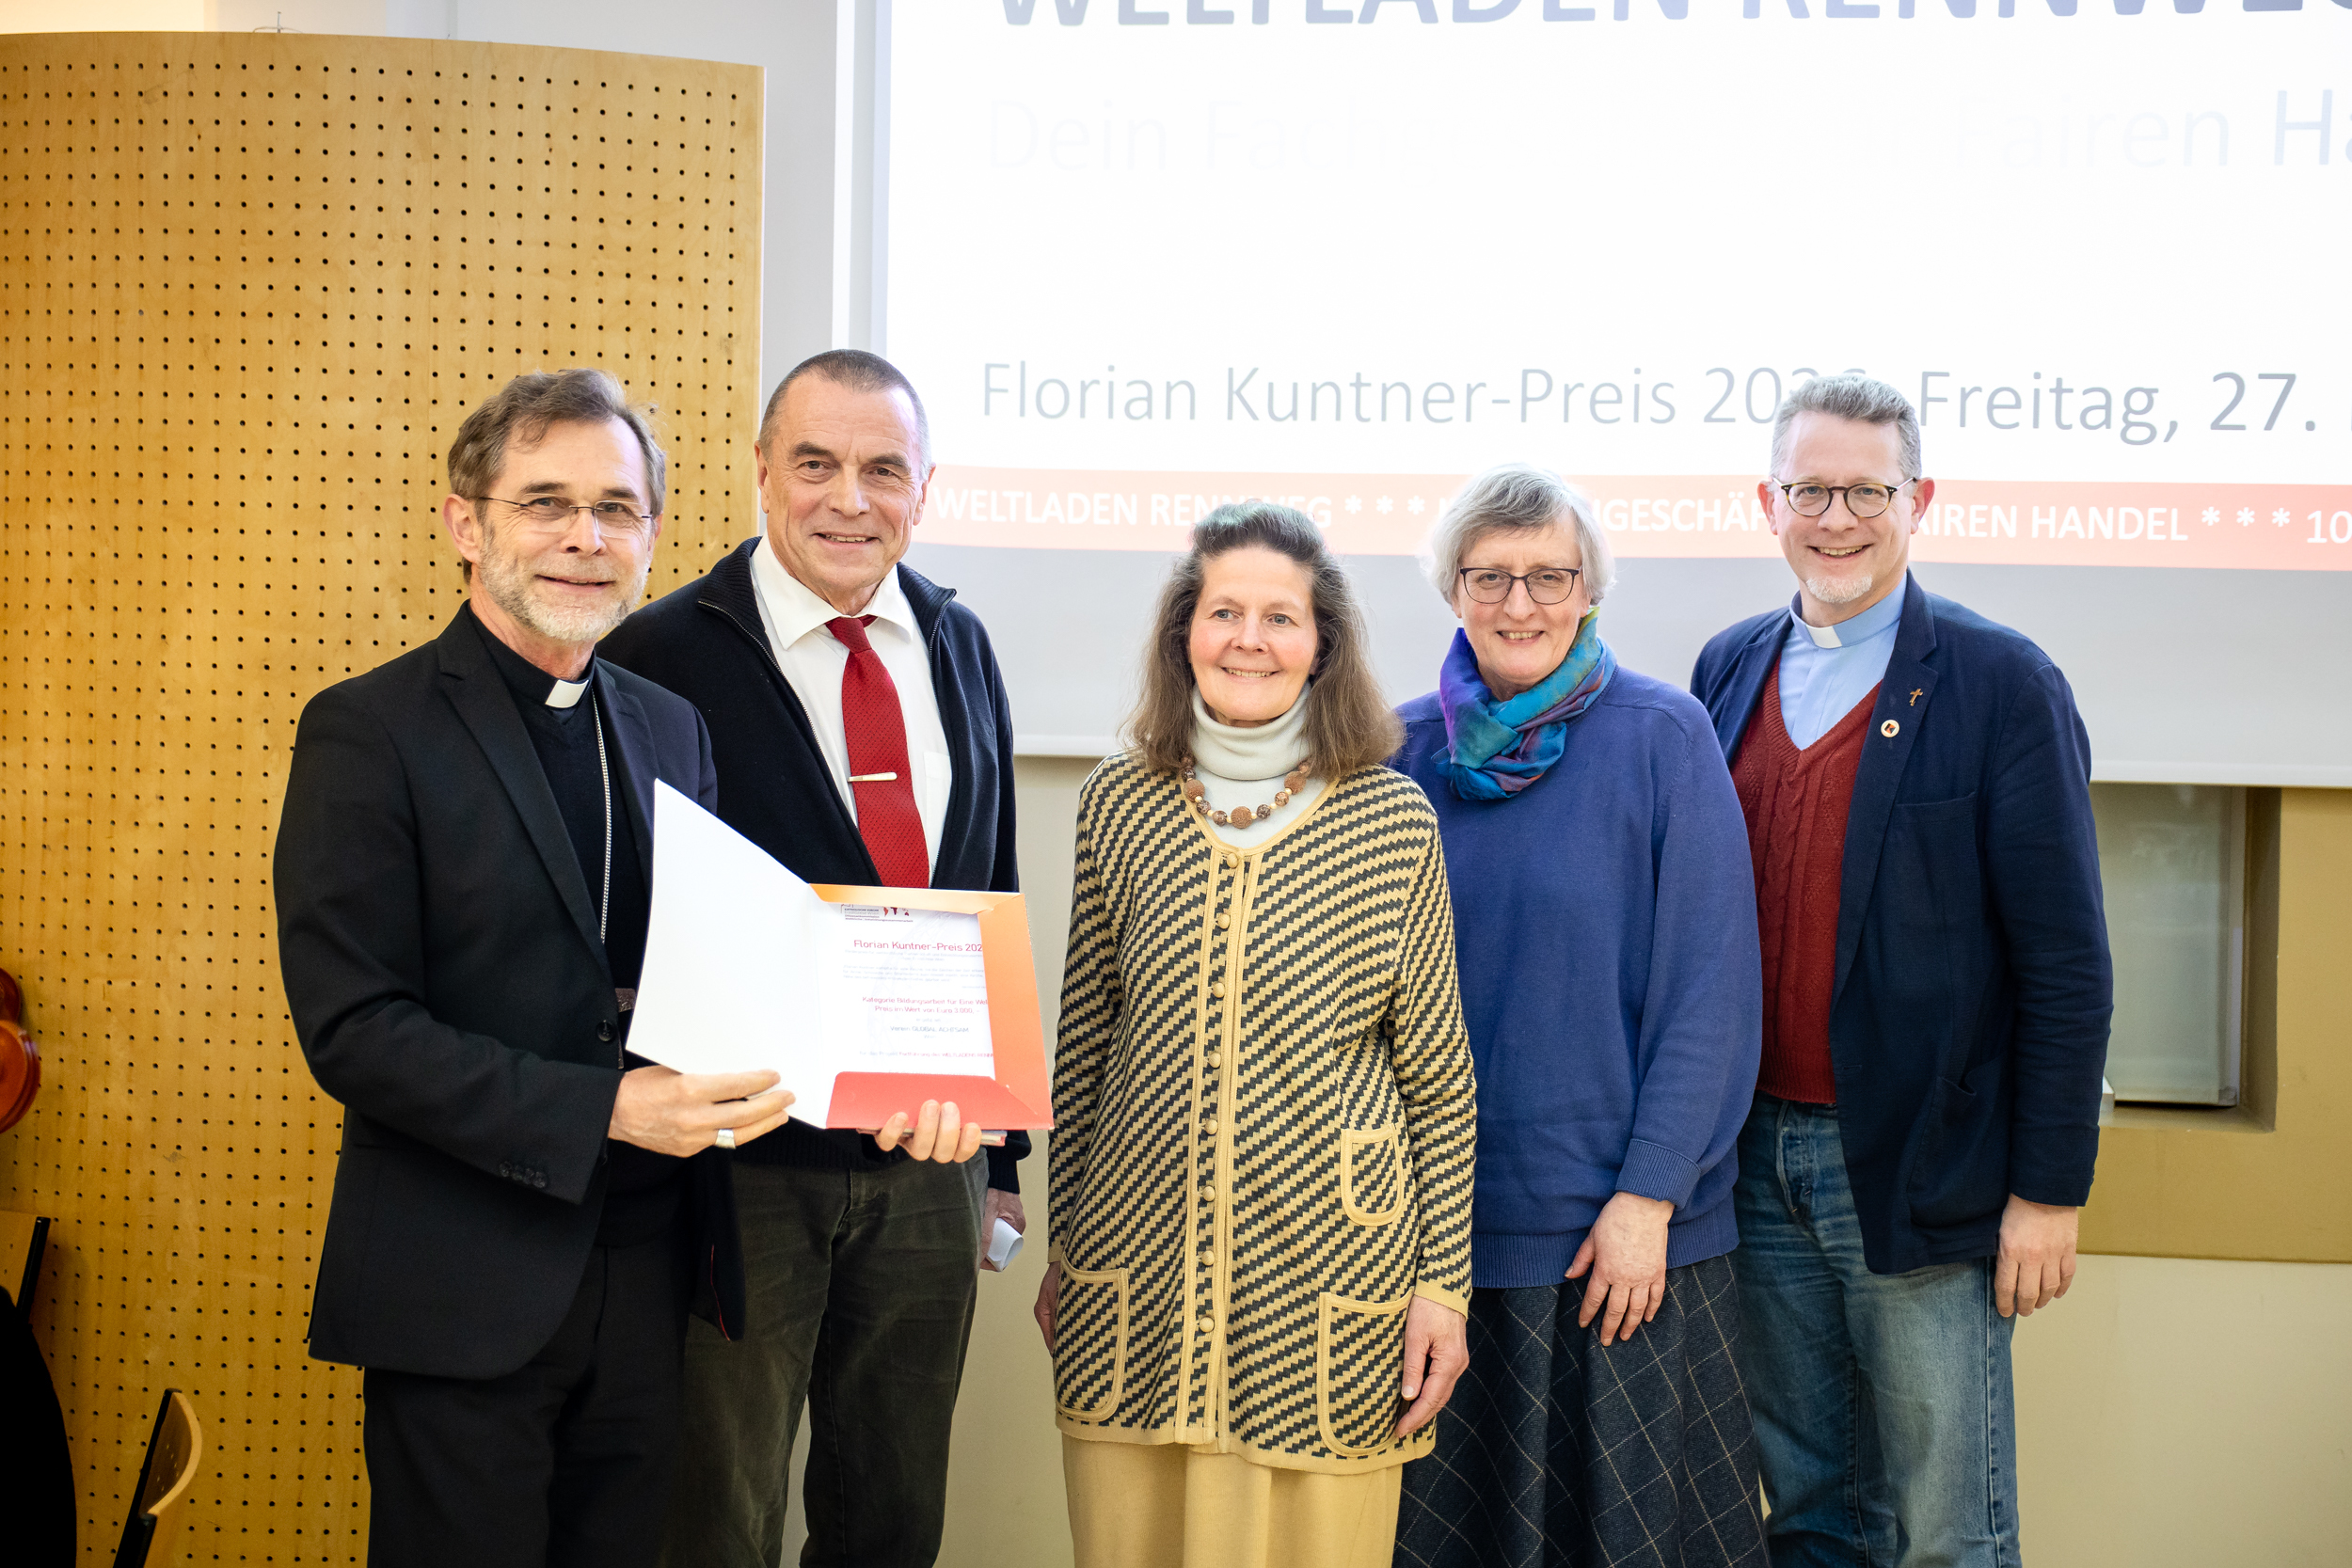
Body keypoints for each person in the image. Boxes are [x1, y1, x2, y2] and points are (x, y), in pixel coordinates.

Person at [273, 369, 800, 1568]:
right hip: (463, 1281)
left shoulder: (670, 726)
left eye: (616, 508)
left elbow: (711, 972)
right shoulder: (368, 729)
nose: (584, 537)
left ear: (651, 534)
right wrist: (605, 1108)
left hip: (650, 1271)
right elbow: (354, 1029)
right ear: (467, 523)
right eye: (546, 502)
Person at [598, 348, 1020, 1568]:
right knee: (714, 1515)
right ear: (762, 472)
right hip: (740, 1160)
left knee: (891, 1512)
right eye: (816, 463)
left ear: (924, 488)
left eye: (883, 469)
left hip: (930, 1155)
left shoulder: (959, 640)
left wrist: (1001, 1158)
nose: (849, 498)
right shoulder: (660, 652)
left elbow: (988, 881)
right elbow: (615, 916)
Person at [1691, 373, 2112, 1566]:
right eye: (1809, 490)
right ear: (1767, 503)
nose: (1835, 519)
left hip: (1925, 1168)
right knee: (1809, 1509)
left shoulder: (2000, 682)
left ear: (1917, 501)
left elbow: (2067, 963)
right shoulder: (1726, 668)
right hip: (1753, 1164)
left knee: (1943, 1528)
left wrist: (2049, 1191)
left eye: (1865, 492)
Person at [1036, 502, 1478, 1568]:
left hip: (1332, 1282)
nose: (1249, 638)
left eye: (1280, 616)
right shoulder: (1118, 802)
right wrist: (1063, 1241)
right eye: (1223, 611)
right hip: (1134, 1280)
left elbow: (1439, 1080)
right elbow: (1084, 1043)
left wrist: (1443, 1289)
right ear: (1184, 630)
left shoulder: (1391, 819)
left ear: (1321, 643)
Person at [1390, 465, 1768, 1568]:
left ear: (1589, 588)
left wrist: (1649, 1196)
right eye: (1490, 576)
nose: (1520, 604)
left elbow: (1709, 992)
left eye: (1548, 575)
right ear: (1451, 588)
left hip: (1620, 1249)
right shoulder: (1391, 751)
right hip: (1435, 1245)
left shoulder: (1663, 736)